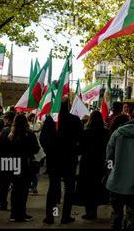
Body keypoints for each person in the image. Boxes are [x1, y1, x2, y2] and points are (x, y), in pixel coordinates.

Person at [41, 96, 83, 224]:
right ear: (69, 106)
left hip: (54, 159)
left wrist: (49, 151)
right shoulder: (75, 120)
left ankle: (51, 216)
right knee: (69, 189)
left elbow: (43, 139)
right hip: (69, 159)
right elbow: (80, 139)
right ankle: (65, 216)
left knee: (53, 188)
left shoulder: (50, 120)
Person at [76, 110, 110, 220]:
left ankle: (88, 211)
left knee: (87, 187)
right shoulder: (106, 132)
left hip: (87, 163)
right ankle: (94, 211)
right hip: (100, 163)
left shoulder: (85, 133)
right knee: (96, 186)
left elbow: (80, 149)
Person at [7, 114, 40, 222]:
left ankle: (13, 214)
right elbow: (36, 149)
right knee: (23, 190)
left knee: (15, 189)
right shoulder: (29, 134)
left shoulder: (11, 134)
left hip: (13, 164)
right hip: (25, 164)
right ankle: (21, 214)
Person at [0, 111, 16, 211]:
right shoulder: (15, 130)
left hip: (4, 159)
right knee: (9, 182)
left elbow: (1, 146)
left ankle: (2, 203)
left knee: (2, 183)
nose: (4, 120)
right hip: (13, 159)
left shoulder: (6, 130)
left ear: (8, 119)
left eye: (5, 118)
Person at [27, 113, 44, 195]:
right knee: (36, 171)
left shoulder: (29, 127)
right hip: (38, 151)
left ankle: (31, 187)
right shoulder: (39, 125)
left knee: (30, 171)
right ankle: (34, 188)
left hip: (30, 151)